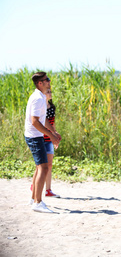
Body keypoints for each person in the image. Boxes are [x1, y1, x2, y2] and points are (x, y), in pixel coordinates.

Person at [25, 72, 61, 213]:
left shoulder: (40, 97)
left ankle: (33, 198)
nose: (49, 81)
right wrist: (50, 136)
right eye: (47, 80)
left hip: (36, 135)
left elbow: (43, 119)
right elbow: (34, 121)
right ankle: (38, 202)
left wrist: (53, 131)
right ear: (40, 83)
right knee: (43, 168)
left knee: (40, 168)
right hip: (34, 137)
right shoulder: (38, 99)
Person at [30, 88, 60, 198]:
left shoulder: (51, 107)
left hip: (49, 138)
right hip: (41, 137)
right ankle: (35, 186)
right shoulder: (40, 106)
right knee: (40, 166)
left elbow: (52, 123)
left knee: (49, 165)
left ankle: (48, 190)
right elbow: (38, 122)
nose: (50, 93)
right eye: (48, 92)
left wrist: (55, 134)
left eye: (51, 91)